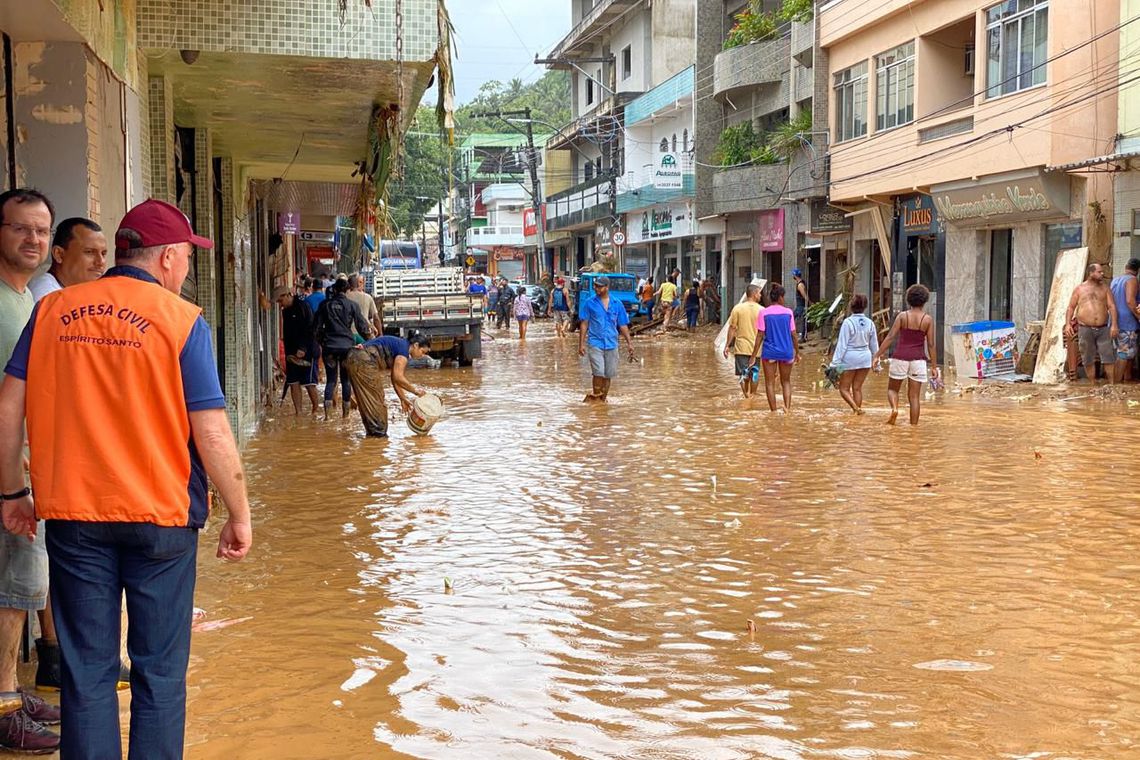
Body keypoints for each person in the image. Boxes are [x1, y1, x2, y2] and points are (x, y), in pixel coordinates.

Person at [0, 197, 252, 759]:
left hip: (73, 517)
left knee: (87, 672)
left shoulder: (51, 311)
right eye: (188, 256)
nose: (186, 268)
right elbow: (211, 433)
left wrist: (13, 492)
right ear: (166, 259)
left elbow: (7, 409)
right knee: (158, 673)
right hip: (161, 520)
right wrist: (239, 511)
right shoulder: (181, 320)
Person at [0, 189, 60, 753]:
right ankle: (5, 706)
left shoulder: (29, 302)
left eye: (40, 231)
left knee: (21, 589)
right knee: (12, 589)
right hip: (8, 479)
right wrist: (10, 484)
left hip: (26, 472)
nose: (33, 241)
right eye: (21, 229)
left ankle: (14, 690)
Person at [873, 284, 939, 425]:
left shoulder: (902, 316)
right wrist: (934, 366)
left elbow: (890, 337)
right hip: (919, 361)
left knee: (892, 389)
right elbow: (931, 345)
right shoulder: (927, 320)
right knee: (914, 397)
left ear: (908, 299)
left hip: (900, 358)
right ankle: (914, 430)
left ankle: (895, 409)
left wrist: (877, 355)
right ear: (925, 300)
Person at [346, 332, 433, 437]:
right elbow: (398, 377)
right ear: (415, 345)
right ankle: (378, 438)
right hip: (364, 360)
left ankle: (371, 438)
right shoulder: (403, 351)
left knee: (367, 401)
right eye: (423, 352)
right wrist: (416, 391)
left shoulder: (400, 345)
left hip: (354, 357)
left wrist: (402, 398)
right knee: (376, 402)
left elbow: (394, 378)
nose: (422, 356)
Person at [315, 278, 371, 418]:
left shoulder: (324, 305)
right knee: (346, 380)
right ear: (347, 290)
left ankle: (327, 416)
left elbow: (316, 328)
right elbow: (362, 326)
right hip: (347, 347)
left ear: (334, 289)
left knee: (331, 380)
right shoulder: (352, 305)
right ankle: (345, 416)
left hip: (329, 347)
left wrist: (322, 341)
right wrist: (370, 342)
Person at [578, 275, 636, 402]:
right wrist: (581, 344)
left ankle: (602, 400)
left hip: (612, 343)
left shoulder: (617, 304)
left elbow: (622, 325)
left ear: (607, 287)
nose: (596, 288)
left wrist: (629, 343)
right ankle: (596, 397)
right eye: (595, 286)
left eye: (599, 286)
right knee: (598, 372)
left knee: (608, 374)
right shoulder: (589, 303)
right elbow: (584, 324)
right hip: (595, 342)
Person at [747, 282, 800, 412]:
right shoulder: (788, 313)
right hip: (786, 352)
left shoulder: (764, 313)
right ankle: (787, 408)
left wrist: (753, 356)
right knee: (786, 382)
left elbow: (760, 335)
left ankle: (774, 411)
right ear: (781, 297)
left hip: (769, 353)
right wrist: (797, 352)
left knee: (770, 383)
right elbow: (793, 334)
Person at [1064, 262, 1119, 384]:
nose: (1102, 274)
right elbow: (1071, 308)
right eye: (1099, 272)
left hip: (1103, 328)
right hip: (1085, 328)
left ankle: (1112, 384)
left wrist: (1114, 325)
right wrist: (1068, 324)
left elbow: (1112, 307)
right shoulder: (1080, 289)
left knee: (1108, 356)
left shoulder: (1105, 288)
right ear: (1091, 273)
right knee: (1088, 358)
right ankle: (1093, 384)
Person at [28, 217, 107, 300]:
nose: (100, 262)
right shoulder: (47, 296)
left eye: (103, 253)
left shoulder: (76, 291)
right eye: (89, 252)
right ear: (59, 254)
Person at [275, 285, 321, 415]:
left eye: (281, 301)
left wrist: (303, 348)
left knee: (309, 382)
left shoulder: (303, 306)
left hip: (308, 350)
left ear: (288, 295)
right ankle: (298, 413)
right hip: (292, 352)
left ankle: (315, 410)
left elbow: (310, 328)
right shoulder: (285, 311)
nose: (280, 304)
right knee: (293, 381)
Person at [832, 294, 879, 414]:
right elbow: (875, 346)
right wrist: (876, 363)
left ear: (851, 306)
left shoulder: (848, 322)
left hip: (850, 359)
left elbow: (842, 345)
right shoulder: (870, 323)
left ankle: (856, 409)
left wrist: (835, 363)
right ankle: (856, 414)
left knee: (843, 388)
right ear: (865, 307)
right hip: (865, 359)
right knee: (857, 388)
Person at [723, 283, 763, 398]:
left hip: (741, 348)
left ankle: (746, 395)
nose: (760, 295)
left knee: (743, 374)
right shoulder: (762, 310)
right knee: (754, 373)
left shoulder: (737, 308)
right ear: (755, 294)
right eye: (759, 293)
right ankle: (753, 395)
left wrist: (727, 345)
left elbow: (732, 328)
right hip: (757, 349)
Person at [1110, 258, 1140, 382]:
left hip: (1115, 321)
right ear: (1137, 270)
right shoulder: (1132, 280)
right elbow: (1130, 301)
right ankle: (1115, 384)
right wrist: (1138, 317)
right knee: (1123, 354)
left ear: (1126, 267)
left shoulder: (1115, 280)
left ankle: (1126, 379)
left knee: (1126, 353)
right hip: (1127, 322)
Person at [346, 273, 381, 338]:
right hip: (364, 334)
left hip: (348, 334)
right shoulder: (367, 297)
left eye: (361, 282)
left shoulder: (344, 297)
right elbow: (376, 318)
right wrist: (381, 335)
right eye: (358, 282)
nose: (359, 284)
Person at [792, 268, 810, 341]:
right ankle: (802, 336)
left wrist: (808, 302)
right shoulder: (800, 283)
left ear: (795, 276)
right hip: (801, 305)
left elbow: (804, 295)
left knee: (793, 318)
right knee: (801, 320)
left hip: (801, 306)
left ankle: (802, 336)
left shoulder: (800, 285)